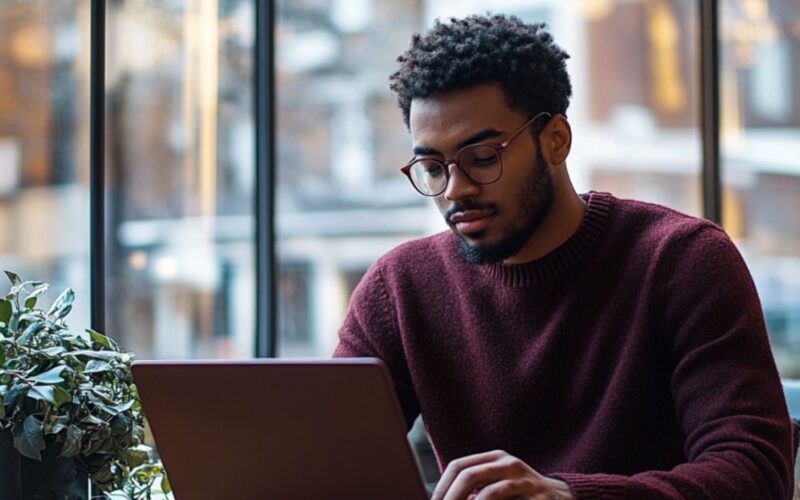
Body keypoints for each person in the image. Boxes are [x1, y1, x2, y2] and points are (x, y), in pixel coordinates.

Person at [334, 13, 793, 499]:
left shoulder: (683, 262)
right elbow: (324, 454)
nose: (456, 189)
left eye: (483, 158)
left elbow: (757, 473)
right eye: (432, 167)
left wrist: (567, 495)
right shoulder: (400, 287)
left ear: (555, 140)